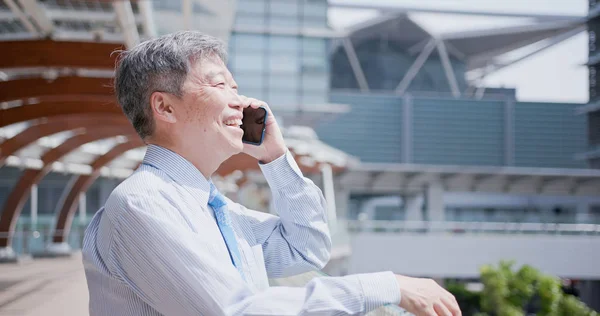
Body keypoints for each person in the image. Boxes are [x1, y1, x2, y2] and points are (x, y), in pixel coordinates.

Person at [82, 31, 461, 316]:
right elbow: (239, 311)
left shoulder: (217, 211)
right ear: (164, 107)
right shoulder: (144, 204)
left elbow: (308, 247)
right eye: (218, 84)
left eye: (236, 87)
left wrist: (276, 158)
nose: (243, 101)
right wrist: (385, 286)